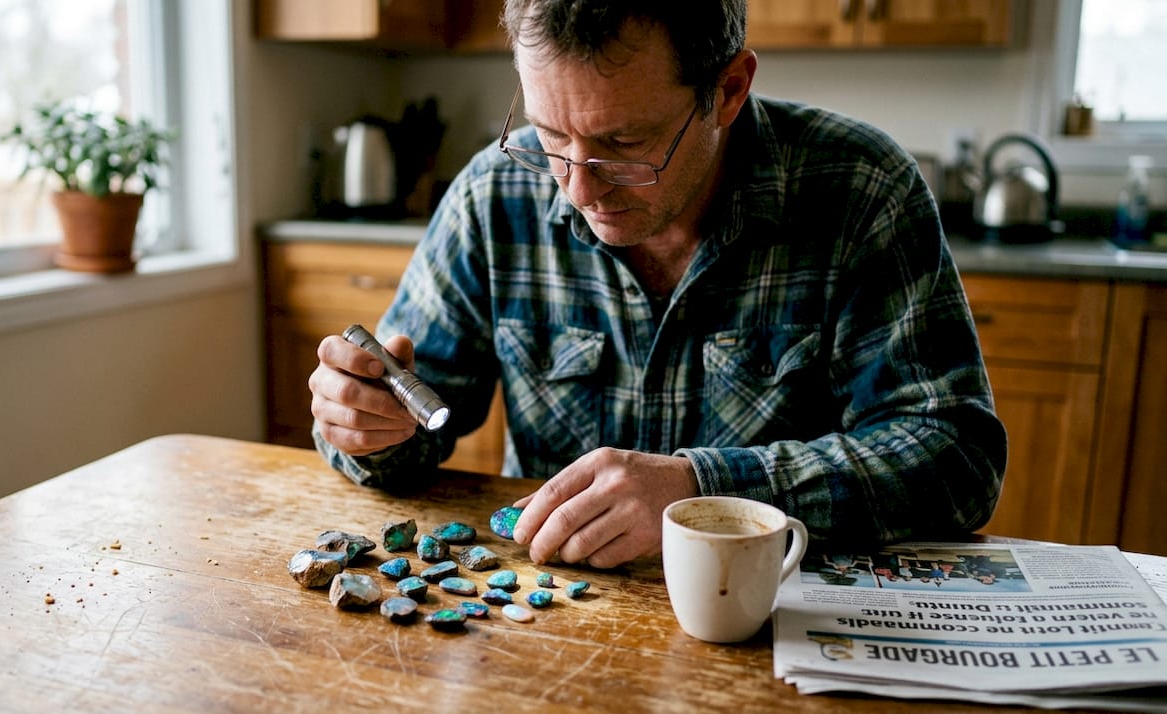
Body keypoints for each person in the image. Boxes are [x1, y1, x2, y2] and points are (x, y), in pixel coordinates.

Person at [308, 0, 1007, 569]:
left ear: (728, 90)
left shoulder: (861, 188)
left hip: (775, 621)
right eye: (551, 134)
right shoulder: (493, 196)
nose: (578, 187)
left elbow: (955, 457)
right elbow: (410, 420)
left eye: (624, 143)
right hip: (552, 622)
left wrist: (706, 490)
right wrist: (366, 425)